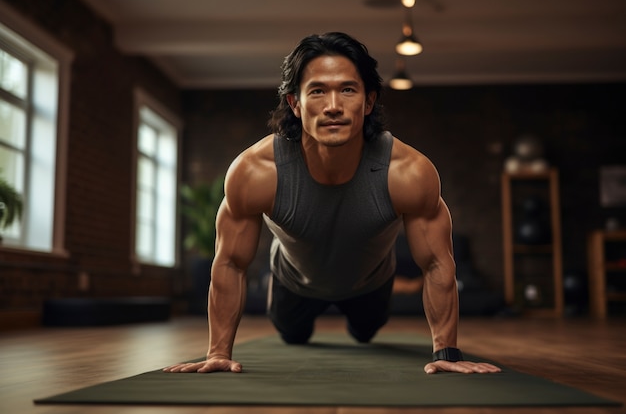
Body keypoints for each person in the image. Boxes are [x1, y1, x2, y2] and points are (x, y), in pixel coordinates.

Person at [164, 32, 500, 375]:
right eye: (318, 90)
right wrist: (217, 352)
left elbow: (436, 264)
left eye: (348, 90)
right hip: (292, 282)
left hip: (371, 284)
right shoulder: (256, 171)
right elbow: (232, 263)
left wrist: (446, 353)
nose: (333, 105)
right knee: (293, 335)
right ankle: (280, 300)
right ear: (295, 104)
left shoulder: (408, 172)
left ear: (368, 103)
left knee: (365, 333)